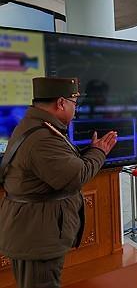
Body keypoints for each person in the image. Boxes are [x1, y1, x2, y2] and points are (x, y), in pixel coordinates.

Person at [0, 77, 117, 288]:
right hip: (37, 237)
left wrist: (90, 152)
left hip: (34, 231)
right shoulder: (43, 138)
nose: (76, 111)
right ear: (61, 103)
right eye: (74, 104)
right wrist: (99, 152)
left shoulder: (37, 126)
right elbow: (75, 177)